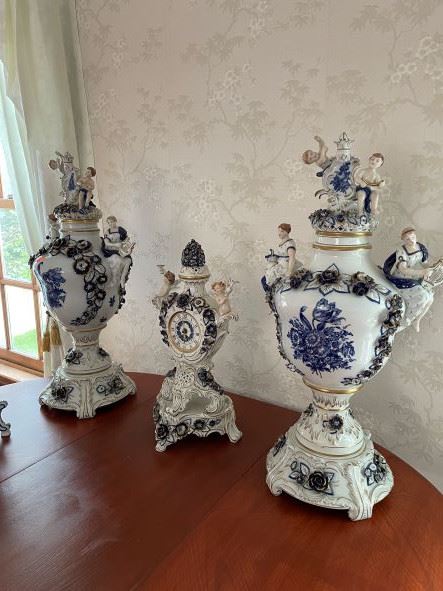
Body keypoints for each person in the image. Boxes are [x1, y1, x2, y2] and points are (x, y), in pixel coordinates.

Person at [383, 227, 434, 332]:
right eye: (407, 239)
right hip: (402, 280)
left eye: (413, 237)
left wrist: (430, 269)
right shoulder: (401, 251)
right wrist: (421, 272)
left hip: (415, 277)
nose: (411, 241)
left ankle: (417, 320)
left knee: (430, 298)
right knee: (422, 297)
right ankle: (406, 320)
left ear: (415, 236)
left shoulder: (420, 248)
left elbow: (424, 263)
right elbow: (403, 269)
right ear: (403, 240)